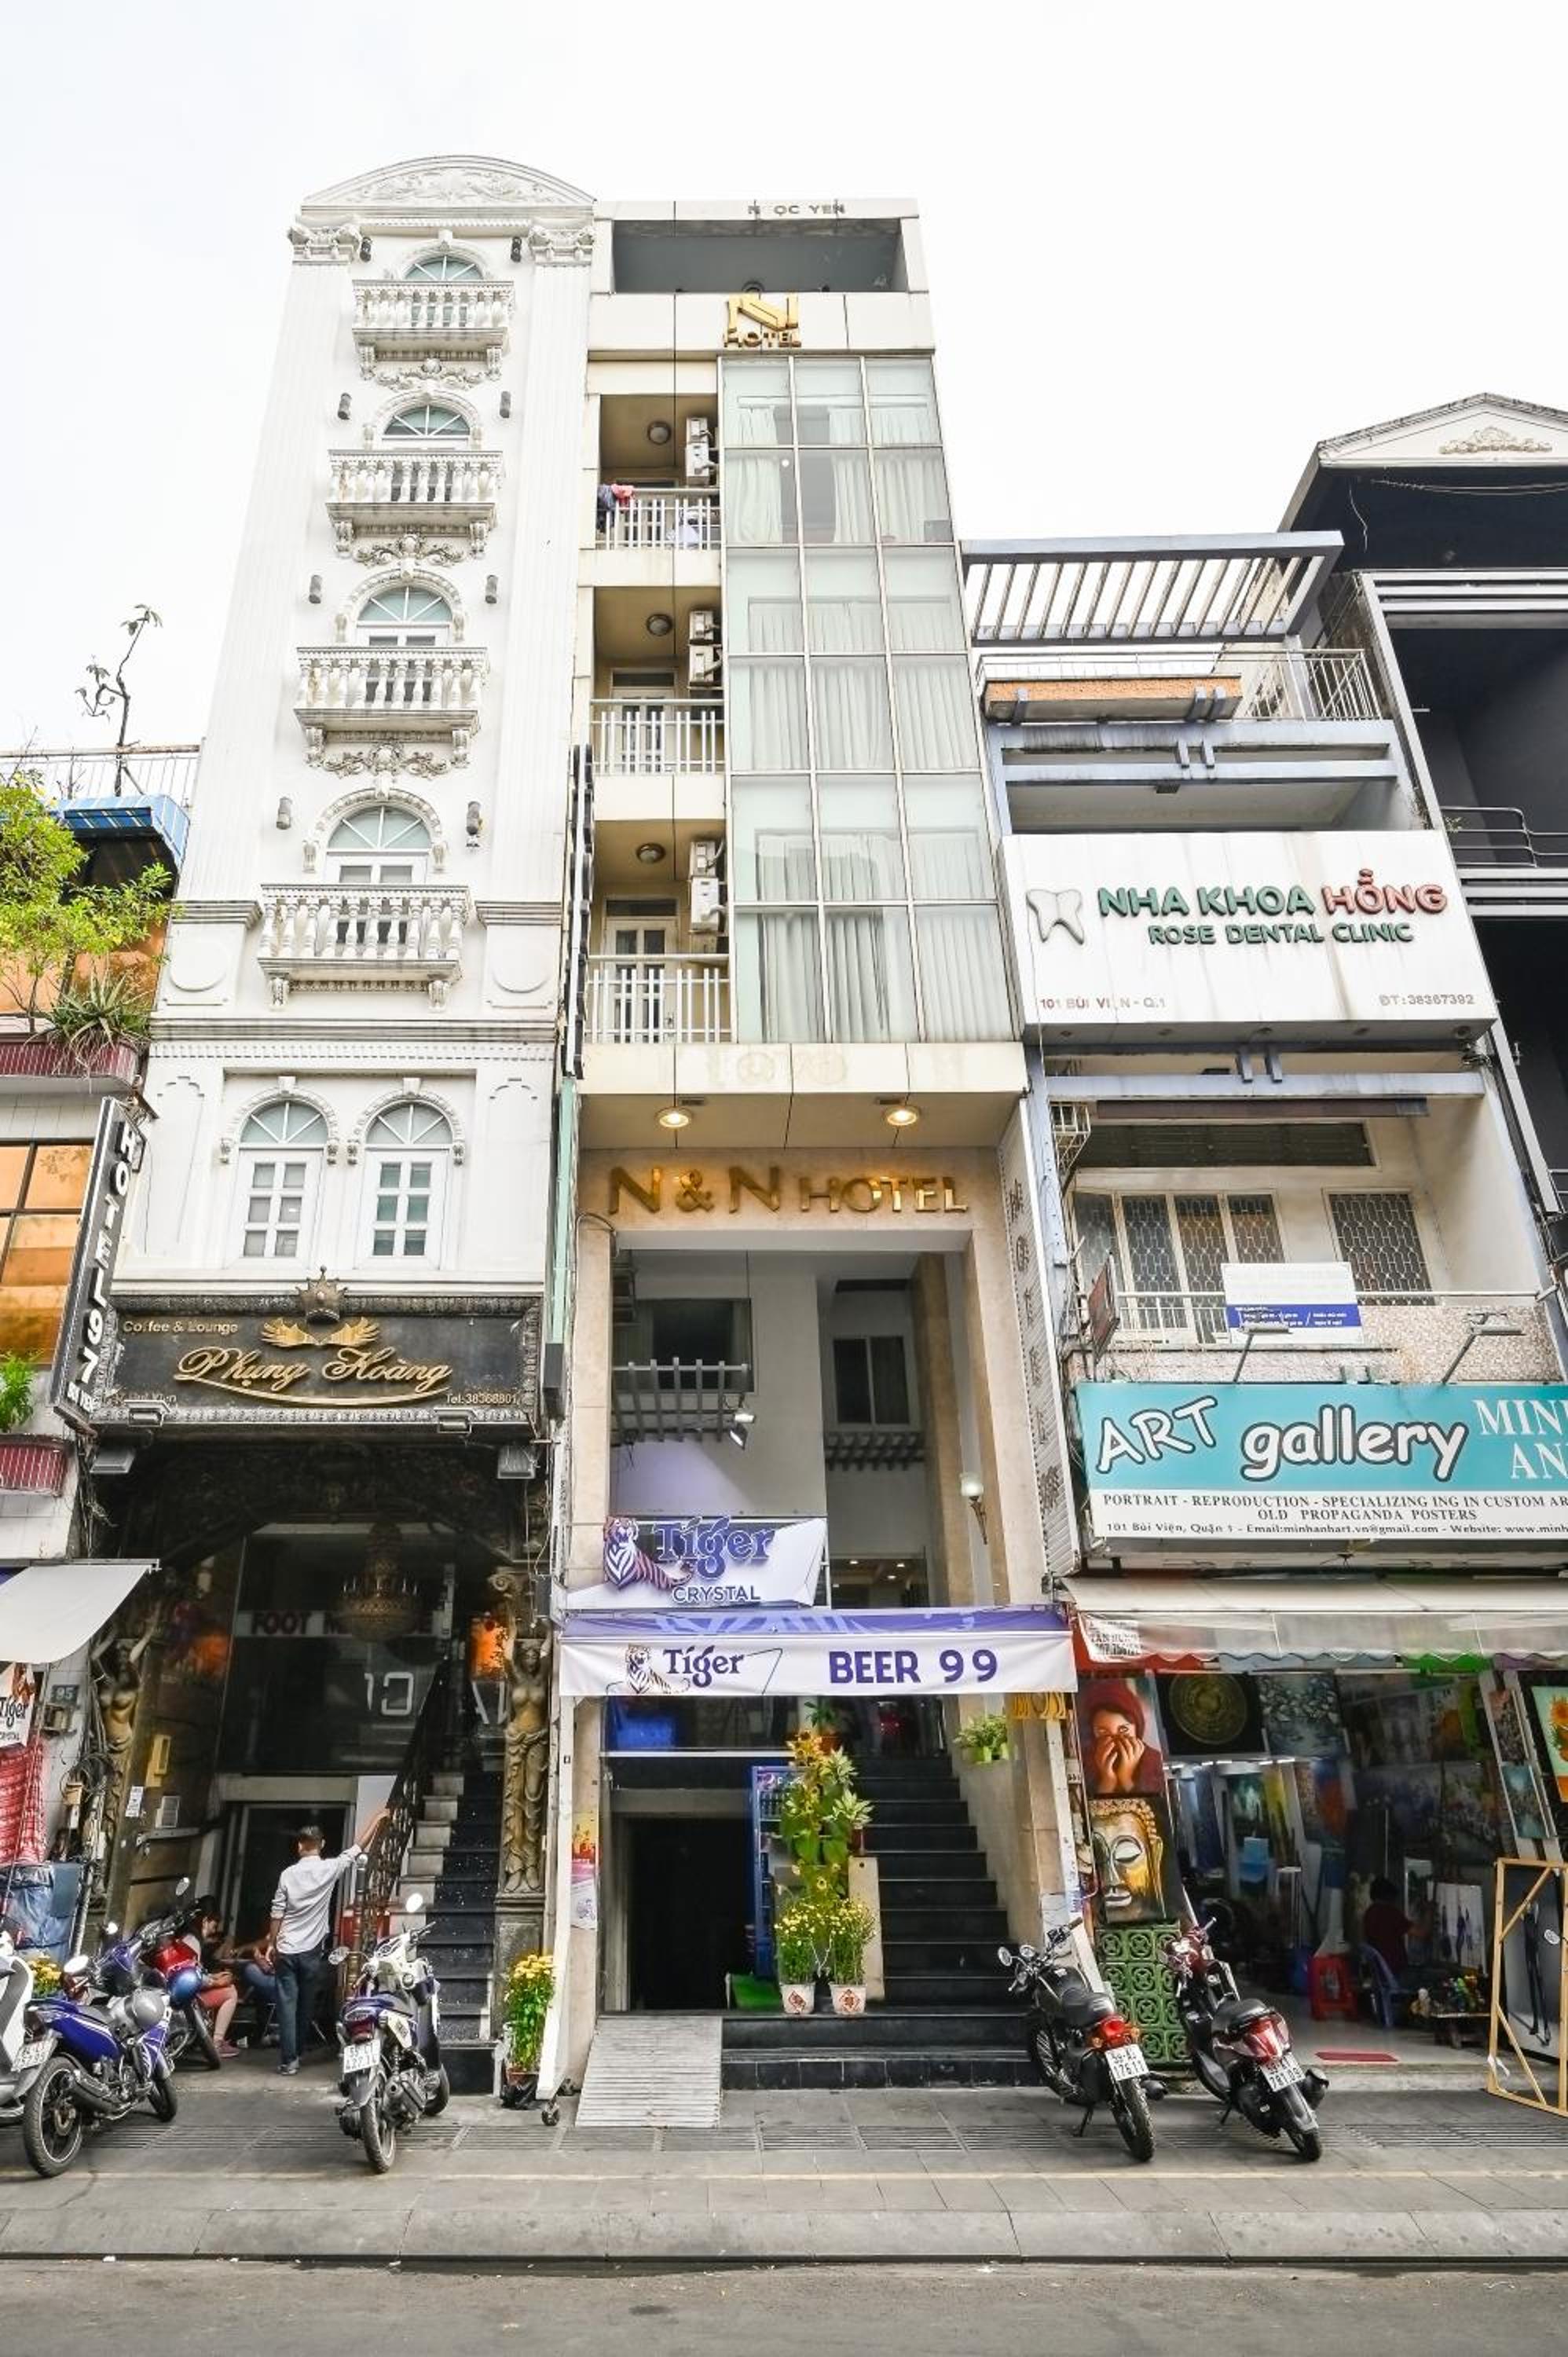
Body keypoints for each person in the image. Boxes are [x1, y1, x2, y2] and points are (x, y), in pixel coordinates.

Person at [262, 1812, 386, 2077]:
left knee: (286, 2005)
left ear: (299, 1846)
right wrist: (376, 1819)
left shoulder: (287, 1875)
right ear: (323, 1844)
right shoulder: (330, 1868)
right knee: (306, 2003)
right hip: (311, 1950)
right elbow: (357, 1848)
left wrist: (272, 1943)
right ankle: (298, 2050)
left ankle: (289, 2060)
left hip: (286, 1947)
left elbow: (277, 1912)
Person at [190, 1898, 242, 2058]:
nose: (213, 1931)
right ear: (205, 1921)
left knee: (227, 1984)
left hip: (190, 1994)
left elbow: (193, 1971)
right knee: (231, 1992)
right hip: (190, 1999)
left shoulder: (189, 1938)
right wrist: (216, 1982)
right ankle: (217, 2043)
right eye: (213, 1925)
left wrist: (213, 1976)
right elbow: (192, 1978)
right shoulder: (193, 1942)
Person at [1361, 1875, 1413, 1977]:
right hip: (1396, 1971)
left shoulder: (1369, 1913)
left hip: (1379, 1973)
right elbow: (1422, 1933)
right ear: (1389, 1896)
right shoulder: (1390, 1913)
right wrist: (1429, 1911)